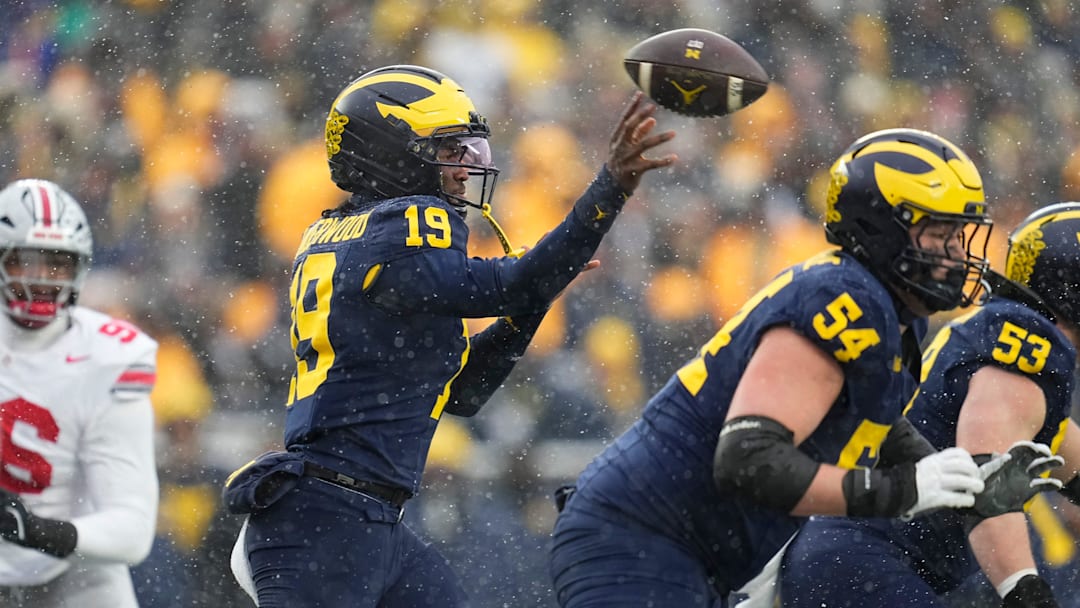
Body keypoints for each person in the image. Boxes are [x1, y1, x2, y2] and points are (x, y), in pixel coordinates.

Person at [223, 64, 677, 607]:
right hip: (325, 520)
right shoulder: (398, 230)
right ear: (390, 152)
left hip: (365, 516)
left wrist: (532, 305)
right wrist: (609, 190)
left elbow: (462, 392)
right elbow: (515, 283)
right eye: (447, 150)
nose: (464, 169)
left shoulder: (352, 238)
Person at [547, 128, 1057, 608]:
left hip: (682, 548)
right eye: (937, 235)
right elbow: (749, 458)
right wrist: (905, 491)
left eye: (957, 236)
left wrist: (974, 488)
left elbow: (880, 430)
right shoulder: (844, 298)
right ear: (880, 228)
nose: (954, 256)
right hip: (643, 535)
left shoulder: (889, 316)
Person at [779, 202, 1080, 608]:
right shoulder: (1029, 350)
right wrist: (1026, 592)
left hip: (851, 556)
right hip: (864, 559)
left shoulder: (1017, 350)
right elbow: (986, 481)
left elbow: (1064, 454)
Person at [0, 179, 159, 607]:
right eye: (26, 262)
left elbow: (132, 531)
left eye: (57, 264)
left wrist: (32, 528)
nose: (41, 280)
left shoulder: (110, 358)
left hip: (74, 570)